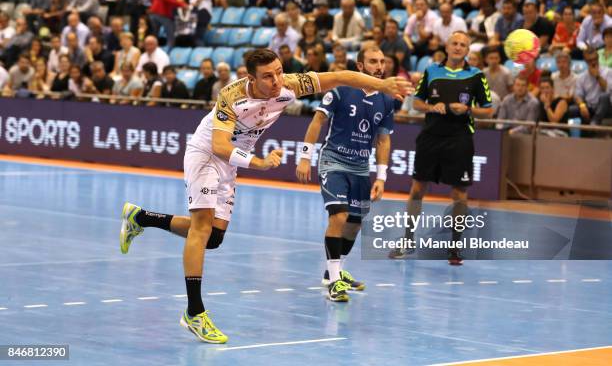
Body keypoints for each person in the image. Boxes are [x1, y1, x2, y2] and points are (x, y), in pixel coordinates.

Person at [117, 48, 412, 344]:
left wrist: (382, 85)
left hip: (231, 162)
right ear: (251, 77)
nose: (276, 80)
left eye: (279, 71)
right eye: (268, 76)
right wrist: (259, 163)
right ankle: (194, 312)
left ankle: (140, 217)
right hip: (206, 154)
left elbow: (338, 76)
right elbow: (220, 146)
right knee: (202, 226)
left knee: (214, 238)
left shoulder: (291, 84)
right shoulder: (230, 96)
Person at [295, 45, 394, 302]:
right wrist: (305, 157)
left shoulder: (387, 99)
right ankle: (335, 282)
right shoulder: (340, 89)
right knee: (338, 216)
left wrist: (381, 177)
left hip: (361, 167)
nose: (379, 67)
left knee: (354, 224)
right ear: (360, 66)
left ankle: (333, 272)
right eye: (373, 61)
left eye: (382, 61)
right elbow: (317, 121)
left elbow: (383, 141)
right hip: (333, 162)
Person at [388, 31, 494, 265]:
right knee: (417, 190)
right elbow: (416, 102)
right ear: (447, 46)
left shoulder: (476, 76)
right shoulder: (431, 71)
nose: (458, 47)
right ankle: (407, 241)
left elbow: (488, 109)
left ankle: (455, 248)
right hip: (430, 137)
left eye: (463, 45)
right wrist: (432, 107)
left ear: (468, 50)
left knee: (459, 194)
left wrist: (467, 110)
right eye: (454, 43)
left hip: (460, 139)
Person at [574, 47, 612, 125]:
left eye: (595, 59)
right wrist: (582, 105)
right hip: (590, 106)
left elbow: (608, 90)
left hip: (607, 107)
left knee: (604, 97)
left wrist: (597, 76)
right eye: (590, 60)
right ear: (585, 61)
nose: (593, 62)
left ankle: (594, 123)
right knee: (572, 110)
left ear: (598, 58)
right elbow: (577, 95)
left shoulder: (608, 72)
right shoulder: (581, 77)